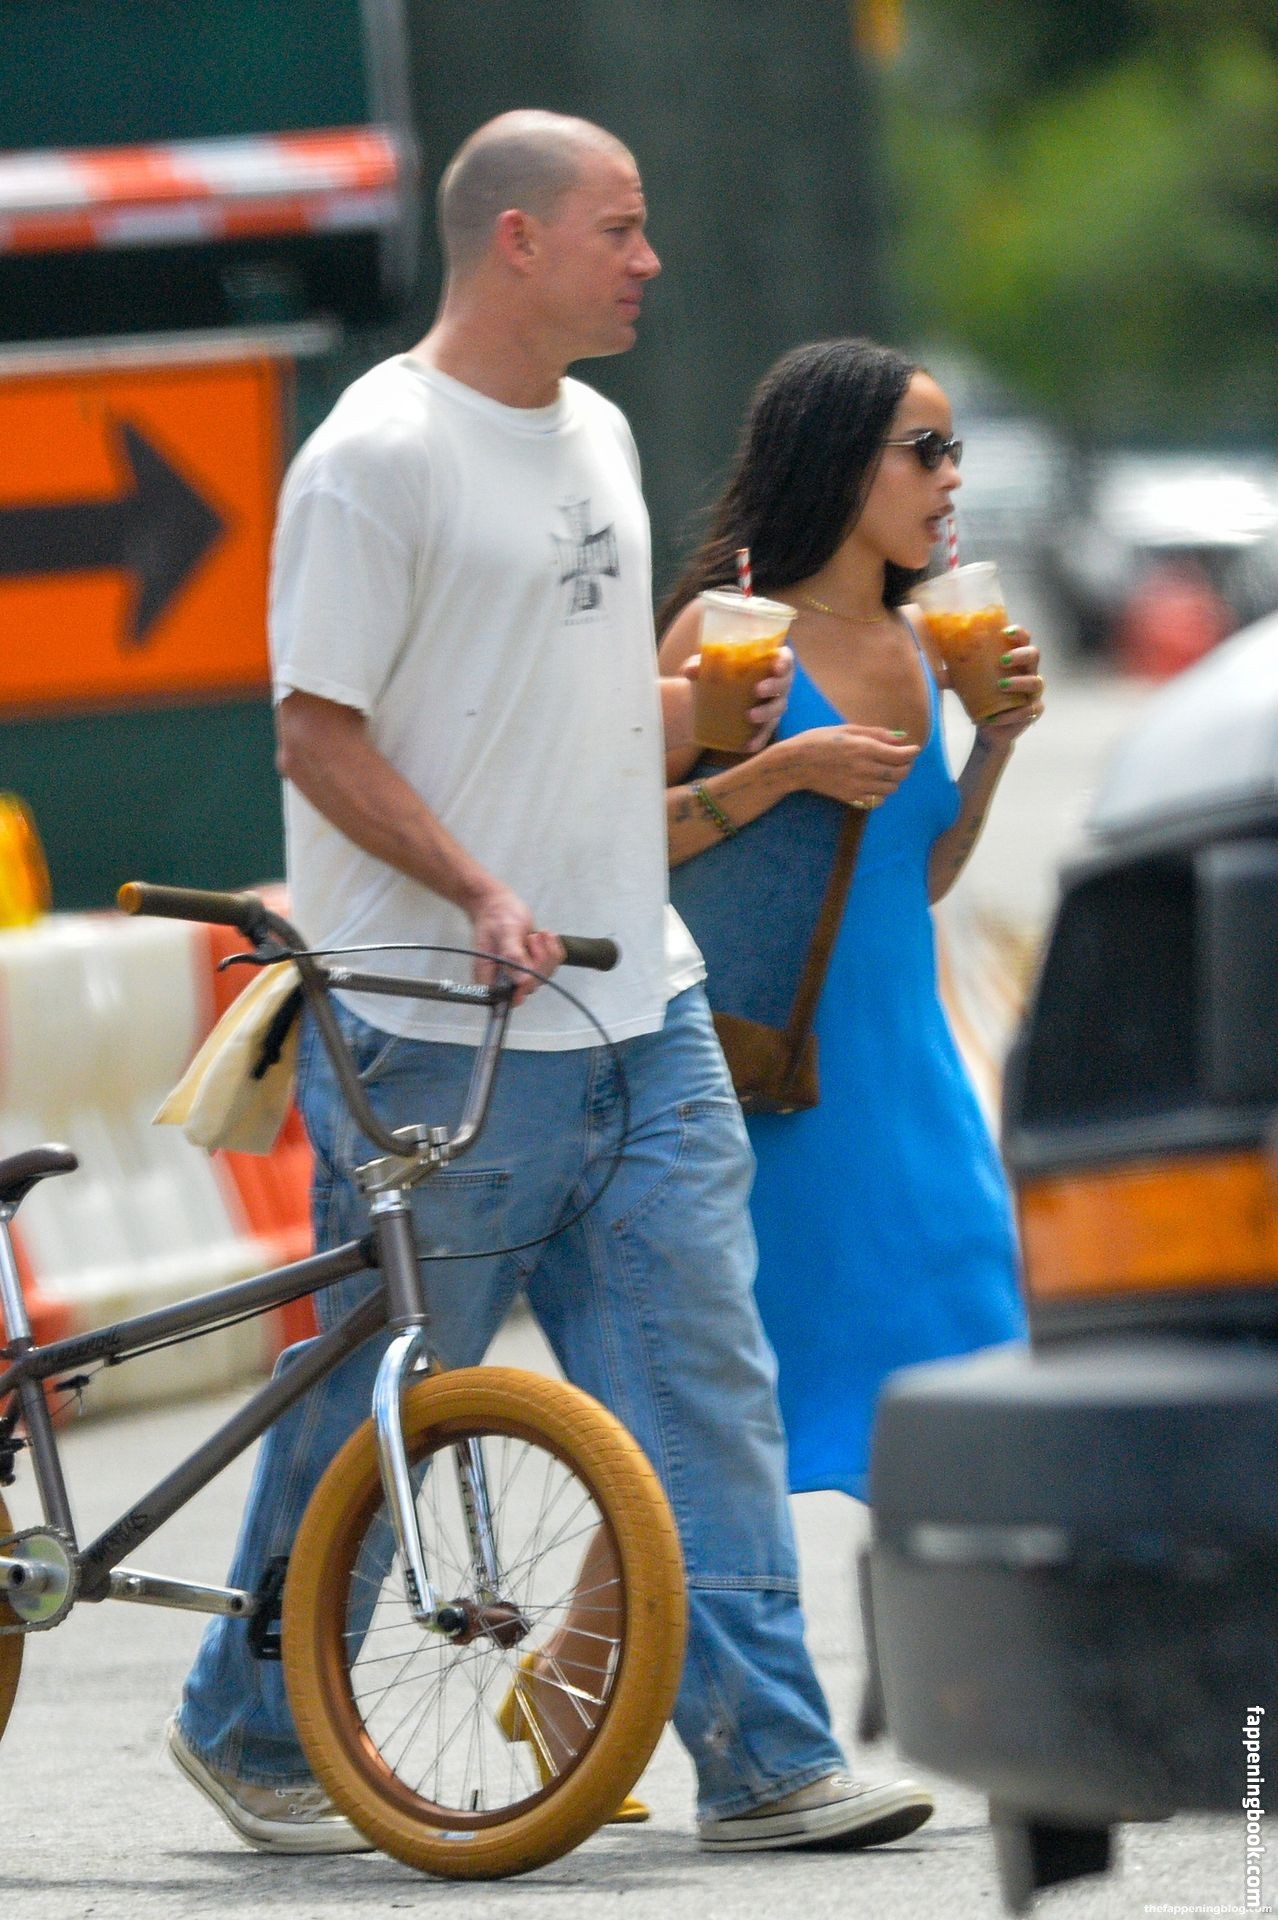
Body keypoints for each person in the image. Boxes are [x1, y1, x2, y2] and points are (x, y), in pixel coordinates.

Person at [166, 120, 933, 1857]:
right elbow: (315, 734)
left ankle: (763, 1757)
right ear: (515, 240)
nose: (649, 260)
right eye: (620, 228)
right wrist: (478, 887)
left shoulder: (596, 433)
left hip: (638, 1008)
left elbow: (572, 714)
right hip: (439, 1031)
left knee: (702, 1383)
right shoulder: (376, 458)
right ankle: (251, 1722)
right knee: (382, 1408)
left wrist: (714, 722)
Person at [659, 338, 1040, 1502]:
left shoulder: (929, 644)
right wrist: (783, 769)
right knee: (718, 1446)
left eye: (954, 450)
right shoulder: (730, 636)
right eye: (925, 450)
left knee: (982, 1399)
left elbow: (915, 881)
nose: (951, 477)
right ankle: (604, 1632)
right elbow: (621, 843)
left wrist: (993, 747)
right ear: (838, 460)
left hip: (918, 1096)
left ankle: (958, 1635)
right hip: (777, 1102)